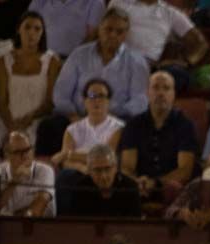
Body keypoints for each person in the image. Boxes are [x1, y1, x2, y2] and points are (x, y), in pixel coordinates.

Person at [41, 7, 149, 157]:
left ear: (126, 35)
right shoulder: (79, 55)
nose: (112, 35)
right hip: (76, 116)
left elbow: (140, 101)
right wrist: (74, 117)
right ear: (99, 29)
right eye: (108, 29)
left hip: (116, 119)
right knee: (49, 126)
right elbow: (60, 93)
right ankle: (49, 172)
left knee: (133, 130)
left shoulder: (136, 61)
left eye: (119, 32)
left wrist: (109, 116)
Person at [0, 11, 59, 165]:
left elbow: (50, 102)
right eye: (27, 27)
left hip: (35, 123)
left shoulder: (51, 61)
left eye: (37, 29)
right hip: (7, 121)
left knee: (39, 135)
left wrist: (29, 119)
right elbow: (1, 101)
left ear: (43, 33)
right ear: (19, 30)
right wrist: (11, 128)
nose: (32, 33)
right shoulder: (3, 61)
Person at [118, 70, 198, 204]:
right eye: (155, 87)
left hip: (173, 190)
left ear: (173, 94)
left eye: (166, 88)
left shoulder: (185, 125)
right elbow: (126, 166)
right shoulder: (133, 125)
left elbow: (185, 170)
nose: (160, 93)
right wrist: (138, 182)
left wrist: (155, 183)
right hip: (139, 187)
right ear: (147, 93)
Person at [111, 0, 207, 91]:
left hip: (150, 69)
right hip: (120, 62)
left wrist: (187, 62)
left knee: (178, 75)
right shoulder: (118, 3)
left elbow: (200, 43)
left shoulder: (170, 13)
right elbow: (102, 33)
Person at [53, 77, 123, 174]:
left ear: (108, 101)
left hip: (105, 173)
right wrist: (82, 168)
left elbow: (105, 158)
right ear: (85, 101)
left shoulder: (118, 127)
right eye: (92, 96)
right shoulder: (72, 129)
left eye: (101, 96)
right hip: (77, 172)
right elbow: (65, 162)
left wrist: (69, 154)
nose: (97, 100)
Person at [63, 144, 142, 217]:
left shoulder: (130, 187)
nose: (103, 176)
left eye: (107, 169)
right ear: (89, 170)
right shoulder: (80, 188)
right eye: (97, 170)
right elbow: (76, 225)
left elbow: (135, 225)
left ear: (115, 168)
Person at [0, 130, 54, 216]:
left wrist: (11, 218)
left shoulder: (45, 171)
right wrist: (15, 181)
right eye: (18, 152)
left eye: (27, 150)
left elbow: (37, 209)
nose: (24, 156)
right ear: (7, 155)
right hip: (6, 226)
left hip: (38, 226)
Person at [27, 0, 104, 58]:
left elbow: (91, 38)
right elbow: (28, 25)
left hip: (71, 60)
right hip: (38, 56)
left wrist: (70, 62)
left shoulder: (95, 2)